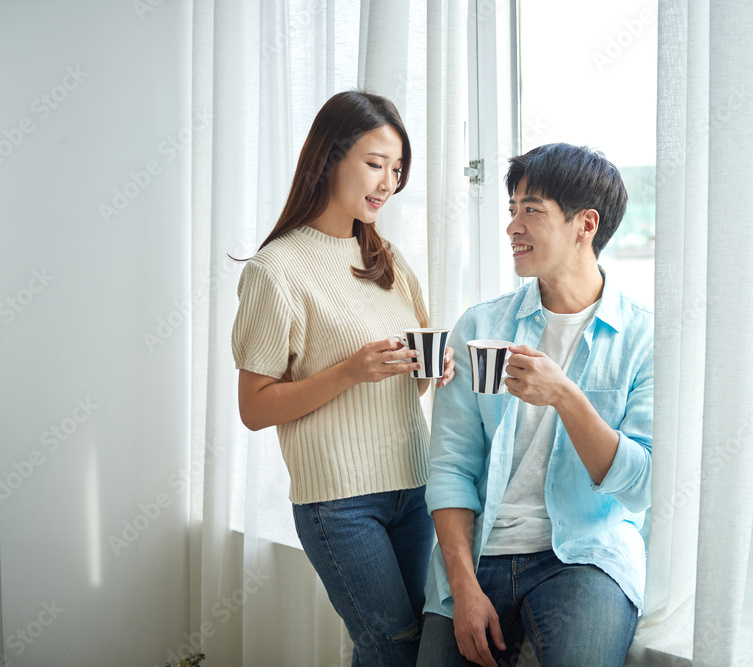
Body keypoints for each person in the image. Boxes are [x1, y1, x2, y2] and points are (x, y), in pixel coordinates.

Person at [231, 90, 455, 666]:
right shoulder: (276, 270)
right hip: (340, 502)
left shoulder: (387, 259)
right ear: (329, 157)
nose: (388, 183)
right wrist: (351, 371)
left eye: (397, 170)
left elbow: (404, 383)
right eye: (376, 164)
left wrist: (429, 368)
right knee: (393, 649)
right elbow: (254, 409)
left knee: (404, 647)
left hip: (413, 484)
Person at [417, 143, 653, 667]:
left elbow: (641, 484)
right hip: (481, 555)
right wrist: (463, 587)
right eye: (511, 209)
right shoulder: (480, 327)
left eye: (532, 210)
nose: (512, 227)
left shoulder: (644, 338)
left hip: (585, 556)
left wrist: (564, 395)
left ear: (585, 224)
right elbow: (451, 469)